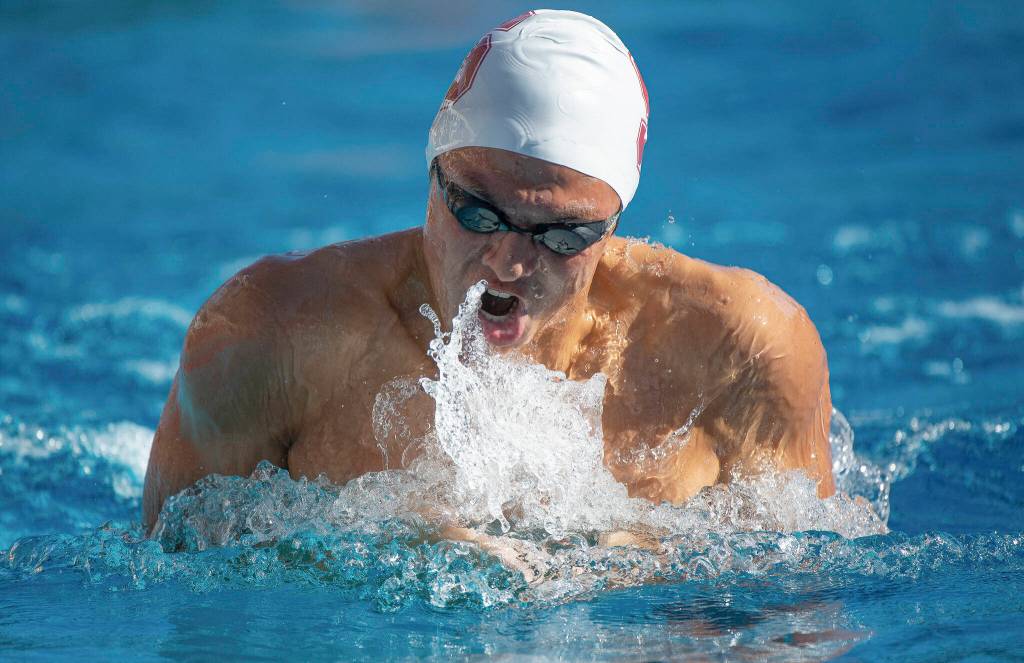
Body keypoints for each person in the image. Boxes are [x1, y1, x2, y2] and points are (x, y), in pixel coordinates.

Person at [143, 10, 834, 532]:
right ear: (433, 173)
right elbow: (174, 595)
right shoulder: (266, 338)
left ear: (614, 222)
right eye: (477, 212)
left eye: (562, 234)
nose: (508, 259)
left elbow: (803, 612)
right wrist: (400, 546)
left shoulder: (743, 352)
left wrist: (653, 569)